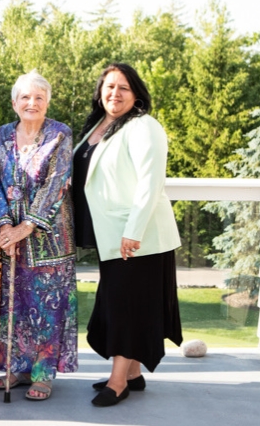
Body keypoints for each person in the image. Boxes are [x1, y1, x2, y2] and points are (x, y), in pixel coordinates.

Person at [72, 62, 183, 407]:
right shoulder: (101, 125)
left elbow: (150, 184)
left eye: (123, 87)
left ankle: (118, 382)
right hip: (110, 235)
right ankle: (132, 374)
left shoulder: (143, 126)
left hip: (138, 238)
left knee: (125, 308)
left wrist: (133, 232)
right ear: (100, 91)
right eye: (109, 86)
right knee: (126, 304)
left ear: (135, 94)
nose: (114, 93)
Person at [0, 71, 77, 401]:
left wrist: (24, 228)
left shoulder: (60, 134)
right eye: (25, 97)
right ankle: (18, 367)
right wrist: (4, 227)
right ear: (14, 103)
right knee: (14, 305)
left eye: (39, 97)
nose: (32, 103)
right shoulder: (0, 135)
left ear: (48, 102)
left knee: (48, 306)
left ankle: (43, 374)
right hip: (9, 237)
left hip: (50, 236)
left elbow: (56, 183)